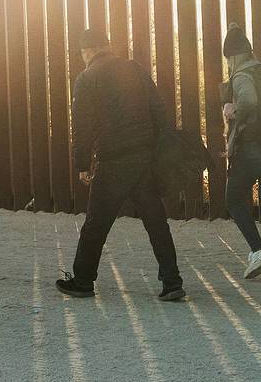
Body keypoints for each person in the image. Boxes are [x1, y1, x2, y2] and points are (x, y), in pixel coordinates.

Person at [56, 28, 185, 301]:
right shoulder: (134, 69)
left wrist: (82, 164)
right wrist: (156, 148)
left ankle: (82, 280)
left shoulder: (86, 78)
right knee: (156, 222)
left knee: (96, 224)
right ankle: (172, 281)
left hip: (113, 160)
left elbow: (82, 127)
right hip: (144, 157)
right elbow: (158, 109)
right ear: (107, 46)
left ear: (86, 51)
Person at [222, 24, 261, 281]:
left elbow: (248, 101)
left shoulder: (241, 76)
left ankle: (258, 250)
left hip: (252, 149)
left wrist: (232, 109)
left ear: (233, 56)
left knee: (233, 199)